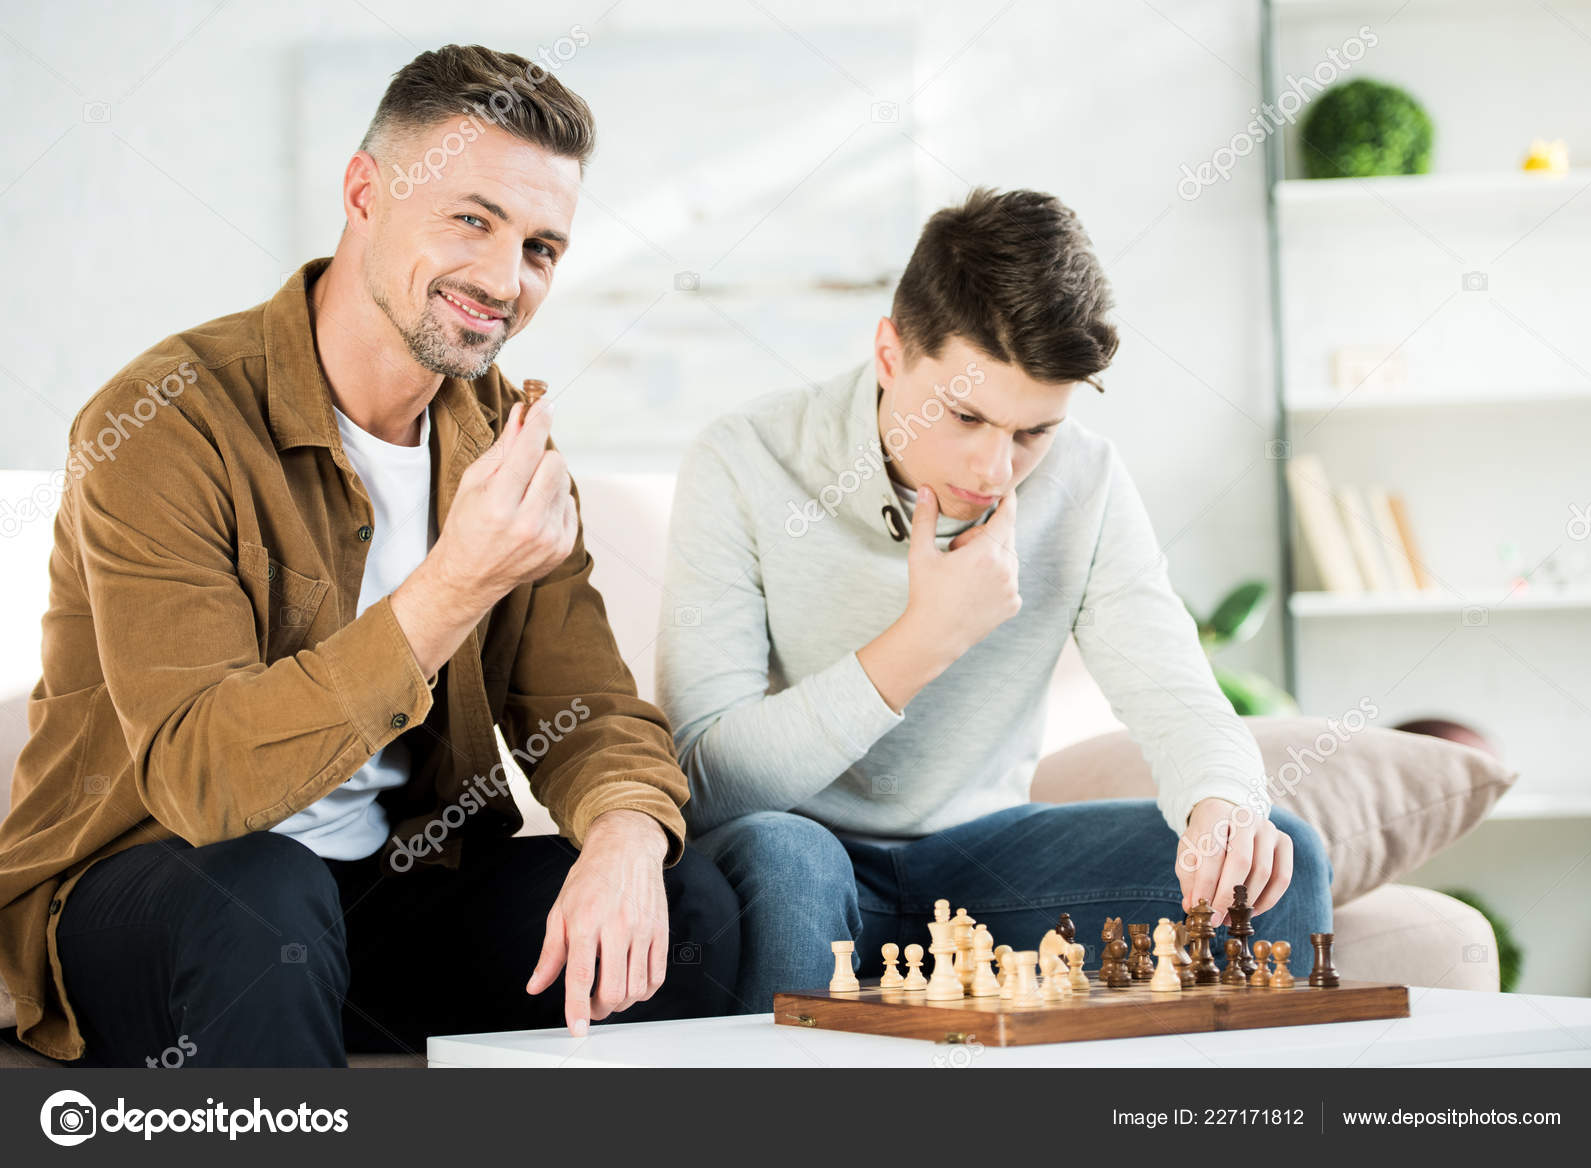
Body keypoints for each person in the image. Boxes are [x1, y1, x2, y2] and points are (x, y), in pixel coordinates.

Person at [0, 44, 737, 1067]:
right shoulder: (167, 420)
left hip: (387, 897)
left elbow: (592, 712)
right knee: (264, 897)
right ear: (363, 192)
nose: (502, 278)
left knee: (685, 896)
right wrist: (455, 581)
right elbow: (201, 783)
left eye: (540, 247)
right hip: (158, 896)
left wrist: (623, 832)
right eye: (471, 219)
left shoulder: (503, 439)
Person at [655, 188, 1333, 1010]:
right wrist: (924, 641)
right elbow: (704, 778)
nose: (992, 470)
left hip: (984, 859)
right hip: (798, 848)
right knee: (784, 861)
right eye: (966, 416)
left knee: (1276, 857)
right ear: (889, 354)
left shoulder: (1086, 480)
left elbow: (1176, 694)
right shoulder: (744, 460)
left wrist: (1222, 802)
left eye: (1031, 433)